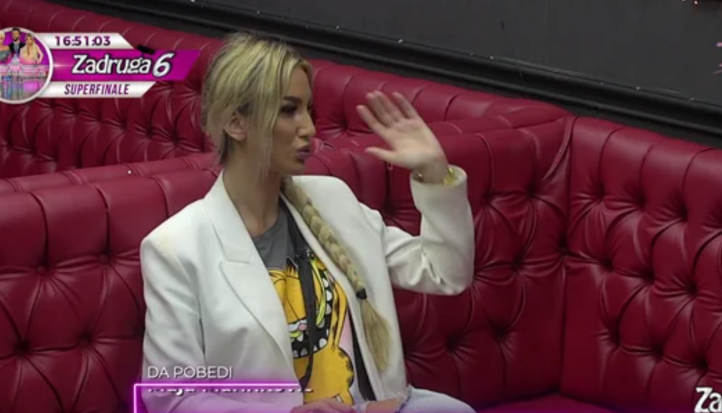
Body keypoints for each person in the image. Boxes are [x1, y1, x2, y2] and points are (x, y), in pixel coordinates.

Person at [140, 32, 475, 413]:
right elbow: (171, 396)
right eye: (289, 110)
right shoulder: (176, 247)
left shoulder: (332, 199)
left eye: (308, 109)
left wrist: (436, 172)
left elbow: (445, 273)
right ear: (236, 123)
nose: (310, 129)